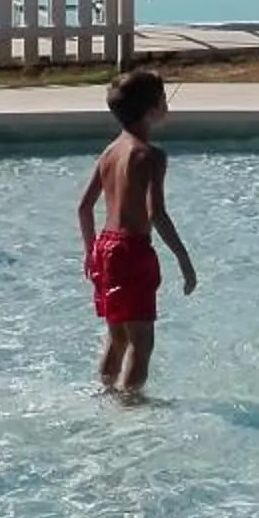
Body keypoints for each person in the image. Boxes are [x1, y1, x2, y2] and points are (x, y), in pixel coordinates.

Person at [76, 69, 198, 399]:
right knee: (142, 342)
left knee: (117, 336)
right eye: (163, 99)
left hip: (105, 246)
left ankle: (104, 392)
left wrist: (90, 252)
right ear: (152, 110)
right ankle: (130, 405)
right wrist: (184, 259)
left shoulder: (110, 151)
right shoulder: (150, 155)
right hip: (132, 250)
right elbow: (156, 214)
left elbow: (84, 208)